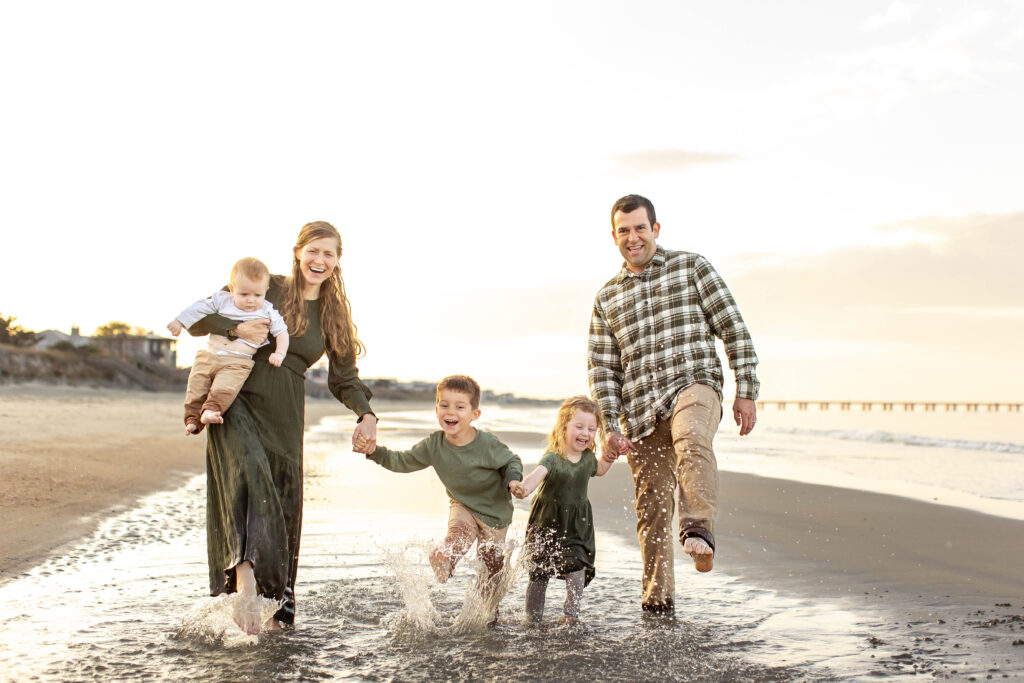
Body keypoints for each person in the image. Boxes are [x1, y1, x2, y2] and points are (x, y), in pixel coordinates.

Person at [186, 221, 377, 635]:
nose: (319, 260)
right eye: (314, 251)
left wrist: (366, 415)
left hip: (286, 415)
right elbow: (200, 319)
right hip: (234, 398)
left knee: (282, 505)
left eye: (329, 254)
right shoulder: (264, 285)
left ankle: (276, 616)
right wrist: (235, 328)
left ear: (337, 261)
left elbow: (343, 378)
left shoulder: (333, 312)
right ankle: (246, 583)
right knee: (249, 480)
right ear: (298, 252)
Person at [588, 194, 760, 614]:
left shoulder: (692, 267)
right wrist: (610, 426)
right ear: (614, 236)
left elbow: (733, 328)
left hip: (695, 386)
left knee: (691, 439)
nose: (633, 237)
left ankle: (698, 528)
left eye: (640, 228)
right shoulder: (606, 298)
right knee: (651, 509)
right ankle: (657, 602)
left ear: (655, 230)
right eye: (624, 231)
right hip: (641, 413)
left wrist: (747, 390)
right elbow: (603, 371)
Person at [354, 375, 523, 589]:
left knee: (491, 571)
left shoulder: (487, 444)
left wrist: (513, 481)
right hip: (463, 505)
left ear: (474, 414)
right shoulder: (434, 445)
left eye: (460, 407)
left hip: (495, 513)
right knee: (456, 538)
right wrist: (374, 451)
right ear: (436, 410)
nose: (450, 412)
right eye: (444, 405)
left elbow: (511, 461)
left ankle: (488, 615)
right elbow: (402, 461)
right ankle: (445, 560)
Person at [511, 395, 617, 622]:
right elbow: (537, 474)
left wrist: (610, 456)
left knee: (577, 567)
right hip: (547, 522)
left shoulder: (588, 457)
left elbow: (599, 470)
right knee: (540, 573)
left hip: (576, 525)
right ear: (563, 427)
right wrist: (524, 488)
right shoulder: (553, 457)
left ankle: (571, 615)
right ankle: (533, 618)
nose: (585, 433)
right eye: (579, 427)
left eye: (591, 428)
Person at [167, 257, 289, 434]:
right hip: (209, 356)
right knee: (196, 386)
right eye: (244, 294)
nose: (251, 300)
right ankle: (192, 420)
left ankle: (210, 411)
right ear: (232, 289)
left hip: (237, 362)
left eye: (258, 295)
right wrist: (179, 322)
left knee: (224, 389)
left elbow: (282, 332)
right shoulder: (222, 300)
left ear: (265, 291)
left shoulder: (267, 310)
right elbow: (199, 308)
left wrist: (279, 353)